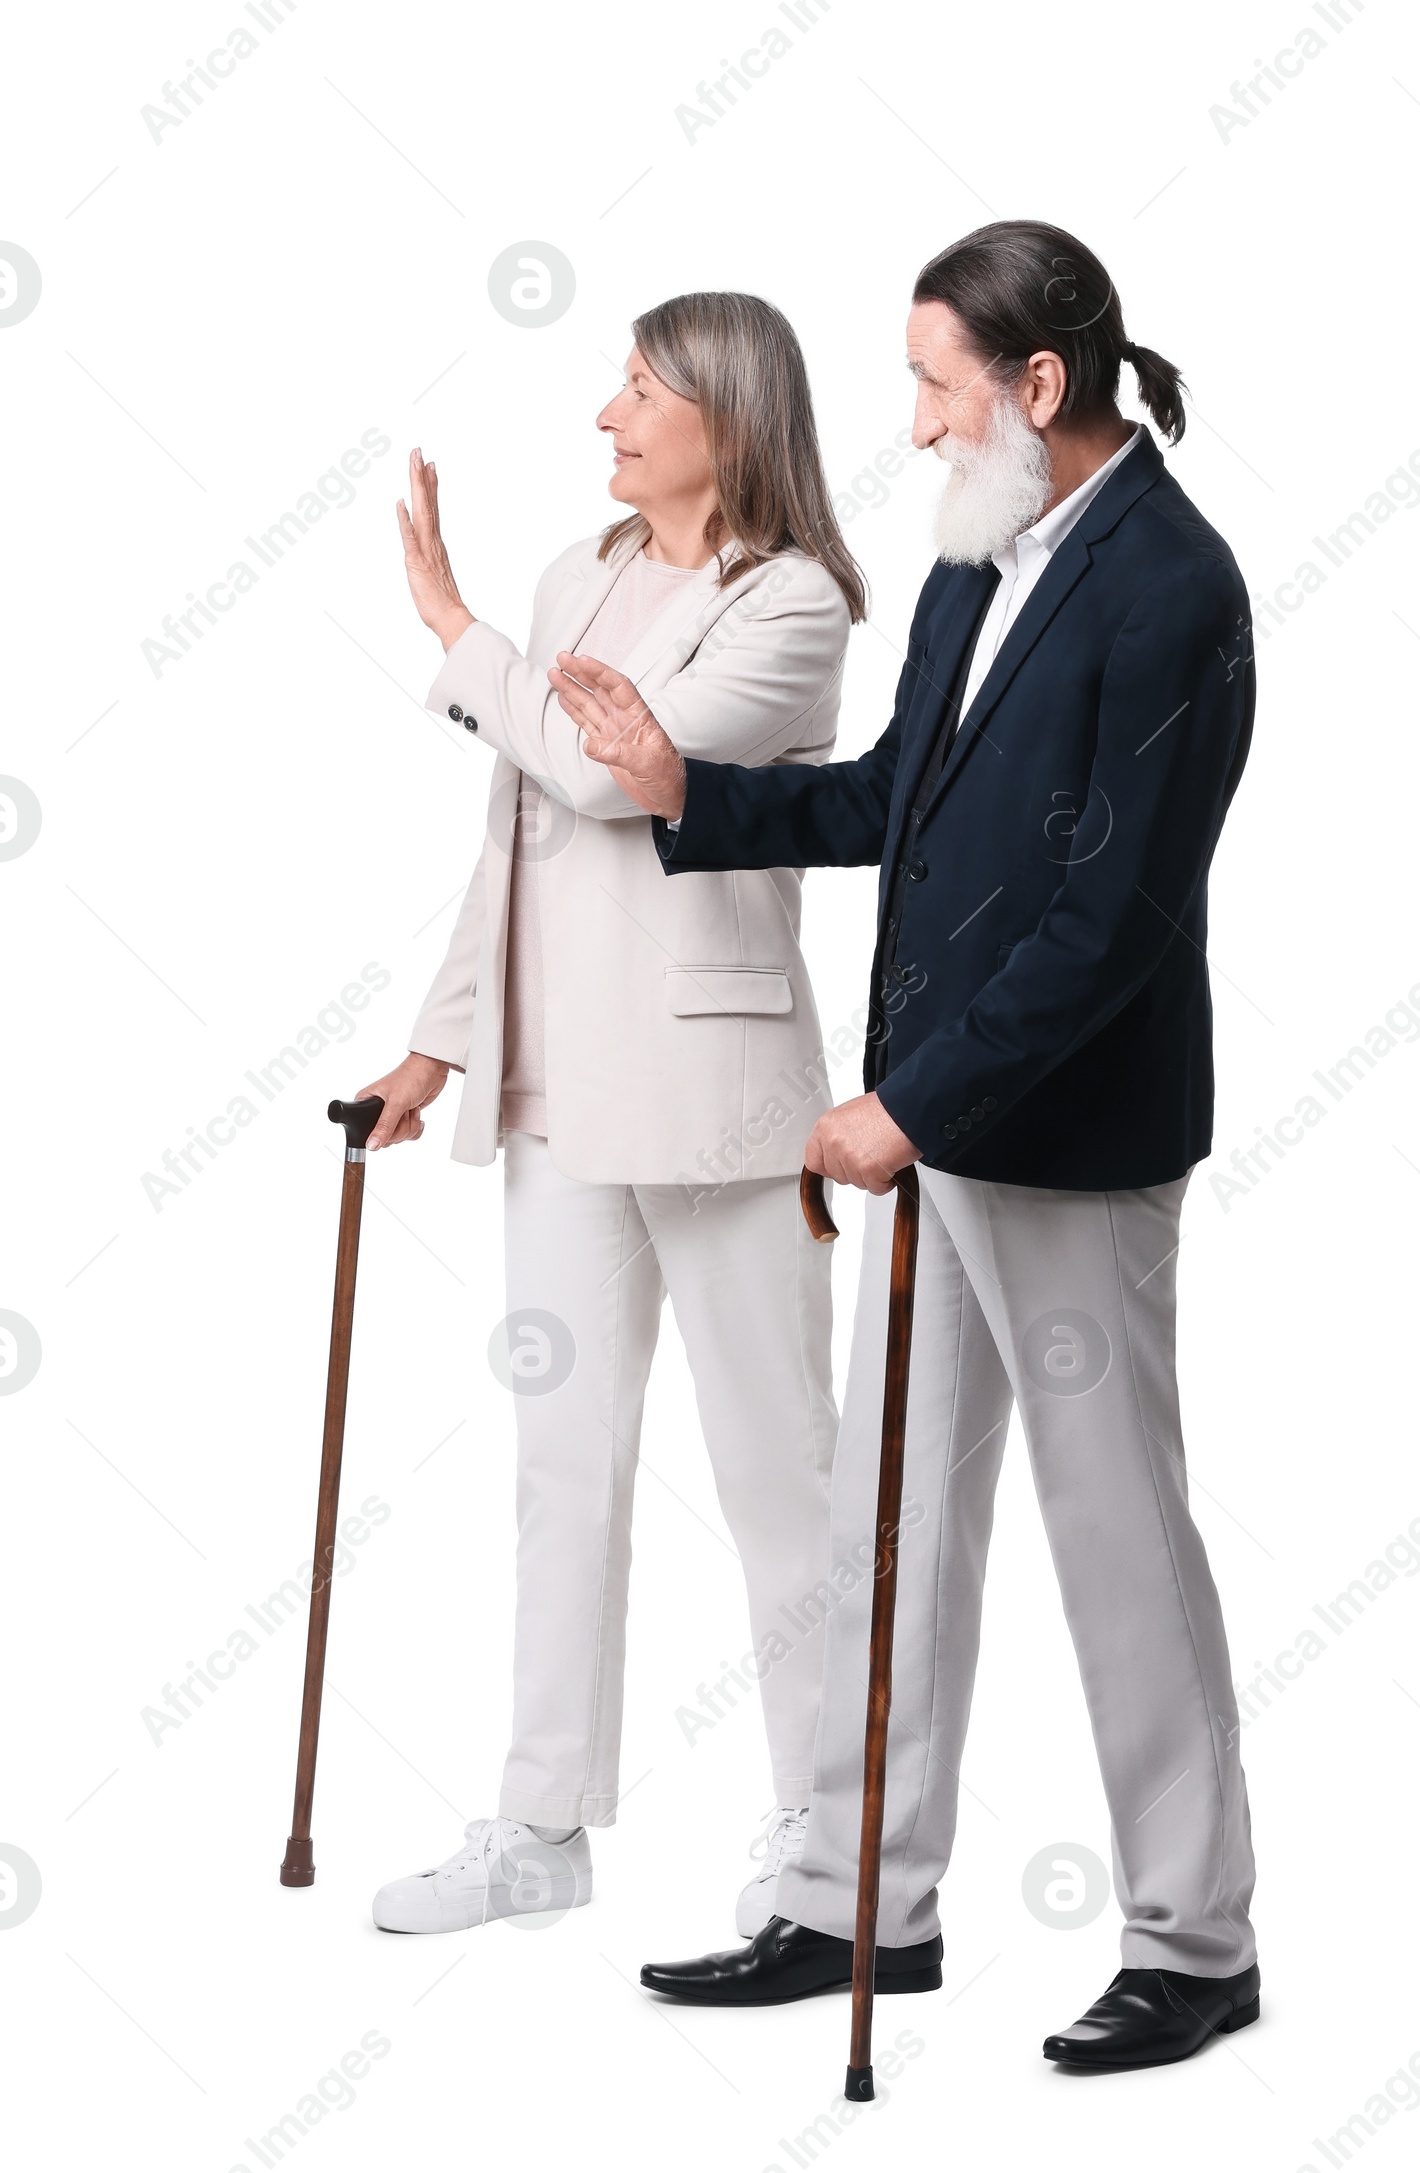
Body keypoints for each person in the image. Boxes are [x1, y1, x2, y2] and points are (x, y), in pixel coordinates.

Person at [557, 222, 1261, 2071]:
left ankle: (1195, 1939)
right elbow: (892, 801)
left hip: (1068, 1141)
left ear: (1041, 387)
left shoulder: (1174, 586)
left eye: (942, 386)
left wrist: (911, 1102)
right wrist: (684, 792)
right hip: (931, 1121)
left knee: (1115, 1531)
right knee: (897, 1526)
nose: (921, 422)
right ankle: (863, 1901)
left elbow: (1113, 917)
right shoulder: (974, 556)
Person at [358, 292, 866, 1938]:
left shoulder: (792, 603)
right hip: (557, 1098)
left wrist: (448, 626)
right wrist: (438, 1047)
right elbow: (521, 826)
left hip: (720, 1105)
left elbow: (614, 779)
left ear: (726, 409)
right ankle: (540, 1826)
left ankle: (832, 1839)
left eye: (641, 388)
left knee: (777, 1473)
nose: (609, 416)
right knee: (560, 1466)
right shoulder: (574, 577)